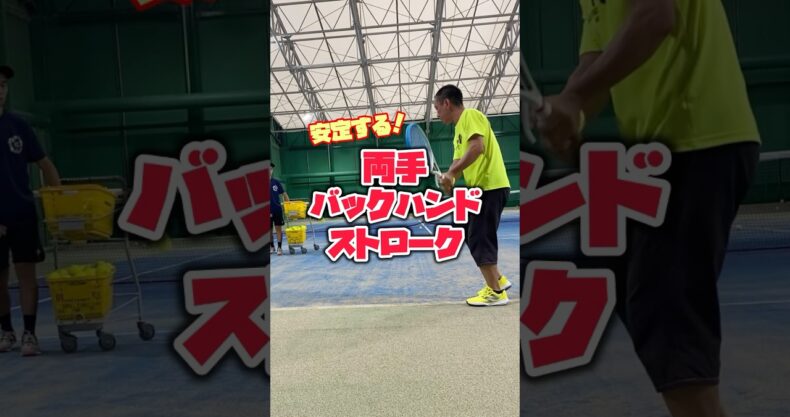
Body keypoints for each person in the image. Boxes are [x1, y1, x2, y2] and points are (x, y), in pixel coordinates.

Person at [534, 1, 760, 416]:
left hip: (697, 140)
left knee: (667, 316)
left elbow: (656, 15)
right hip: (653, 161)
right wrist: (568, 110)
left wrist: (575, 98)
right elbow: (595, 62)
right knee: (617, 271)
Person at [0, 64, 62, 356]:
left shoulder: (19, 126)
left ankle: (29, 334)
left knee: (27, 274)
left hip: (22, 214)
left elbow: (45, 165)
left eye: (2, 85)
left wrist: (59, 203)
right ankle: (6, 331)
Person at [434, 85, 512, 307]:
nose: (437, 114)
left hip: (490, 187)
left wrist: (452, 173)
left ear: (447, 103)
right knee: (467, 231)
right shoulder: (458, 131)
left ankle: (496, 293)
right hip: (479, 192)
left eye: (437, 108)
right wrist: (449, 180)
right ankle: (499, 279)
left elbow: (477, 147)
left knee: (479, 237)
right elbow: (457, 163)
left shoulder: (470, 115)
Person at [270, 163, 289, 256]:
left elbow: (284, 194)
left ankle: (279, 247)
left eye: (270, 169)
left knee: (278, 229)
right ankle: (271, 246)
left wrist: (289, 205)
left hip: (277, 209)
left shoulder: (276, 182)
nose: (269, 171)